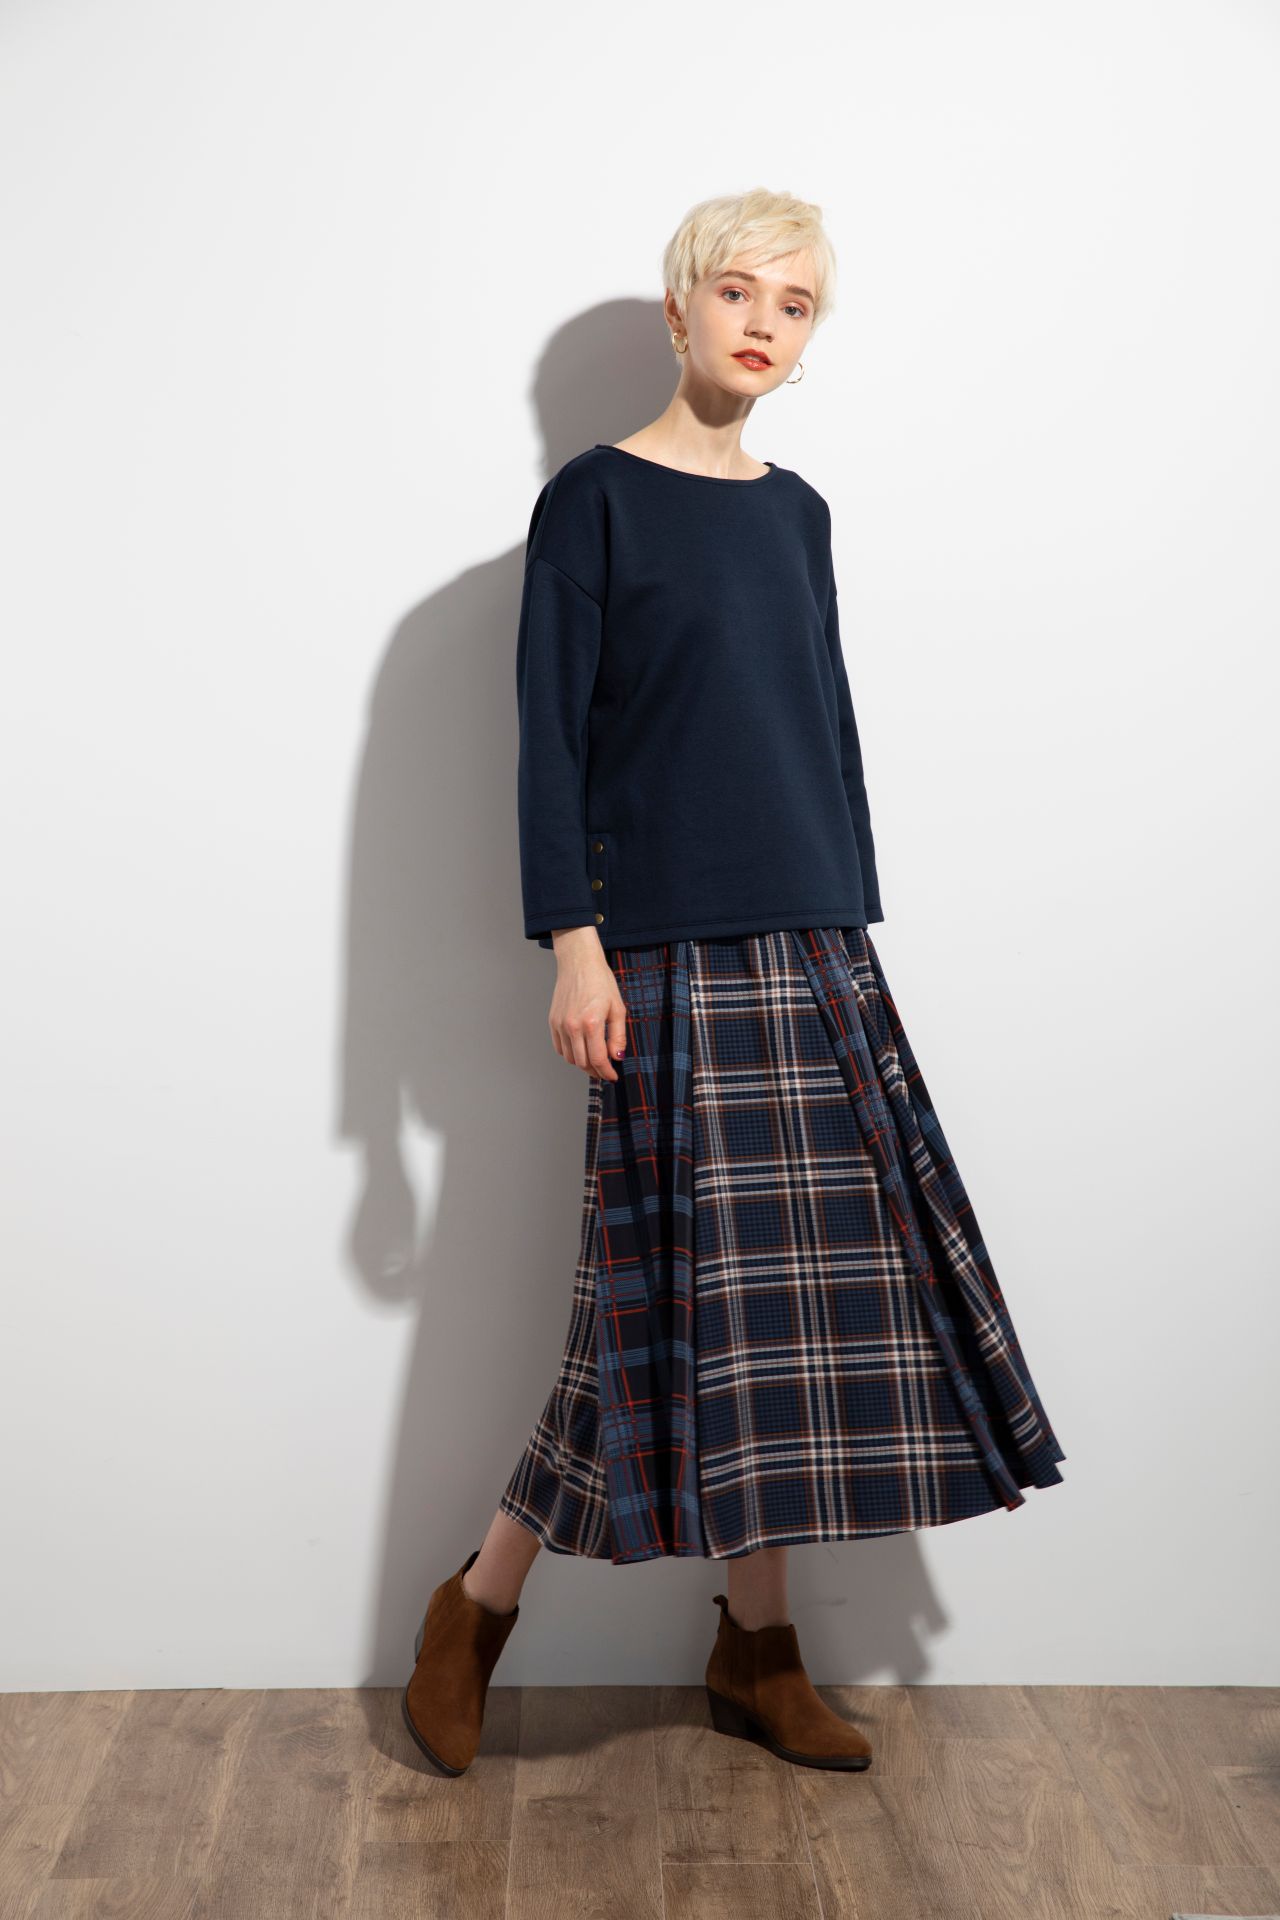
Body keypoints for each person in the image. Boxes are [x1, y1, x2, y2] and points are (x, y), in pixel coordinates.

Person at [402, 187, 1066, 1778]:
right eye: (738, 291)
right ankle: (477, 1608)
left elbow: (824, 727)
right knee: (655, 1312)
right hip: (660, 956)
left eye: (796, 303)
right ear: (679, 309)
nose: (763, 322)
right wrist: (574, 941)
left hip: (813, 945)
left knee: (778, 1319)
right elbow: (550, 741)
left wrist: (850, 919)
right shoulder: (596, 502)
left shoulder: (798, 514)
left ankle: (754, 1648)